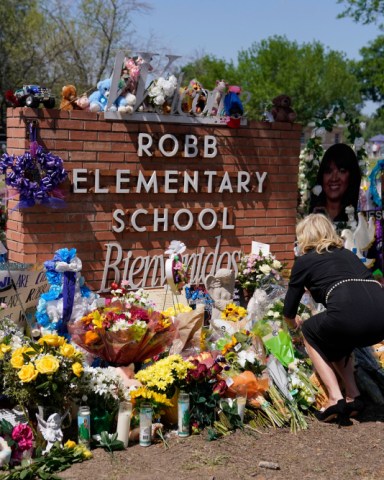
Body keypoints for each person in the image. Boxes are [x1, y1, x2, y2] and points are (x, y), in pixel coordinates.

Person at [283, 214, 384, 424]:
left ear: (305, 237)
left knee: (310, 331)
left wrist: (293, 326)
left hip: (349, 318)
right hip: (380, 317)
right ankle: (353, 397)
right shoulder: (348, 254)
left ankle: (334, 398)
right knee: (338, 334)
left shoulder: (304, 261)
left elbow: (289, 309)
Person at [309, 143, 361, 224]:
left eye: (342, 171)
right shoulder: (309, 216)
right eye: (328, 171)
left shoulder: (360, 218)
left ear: (352, 176)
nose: (334, 178)